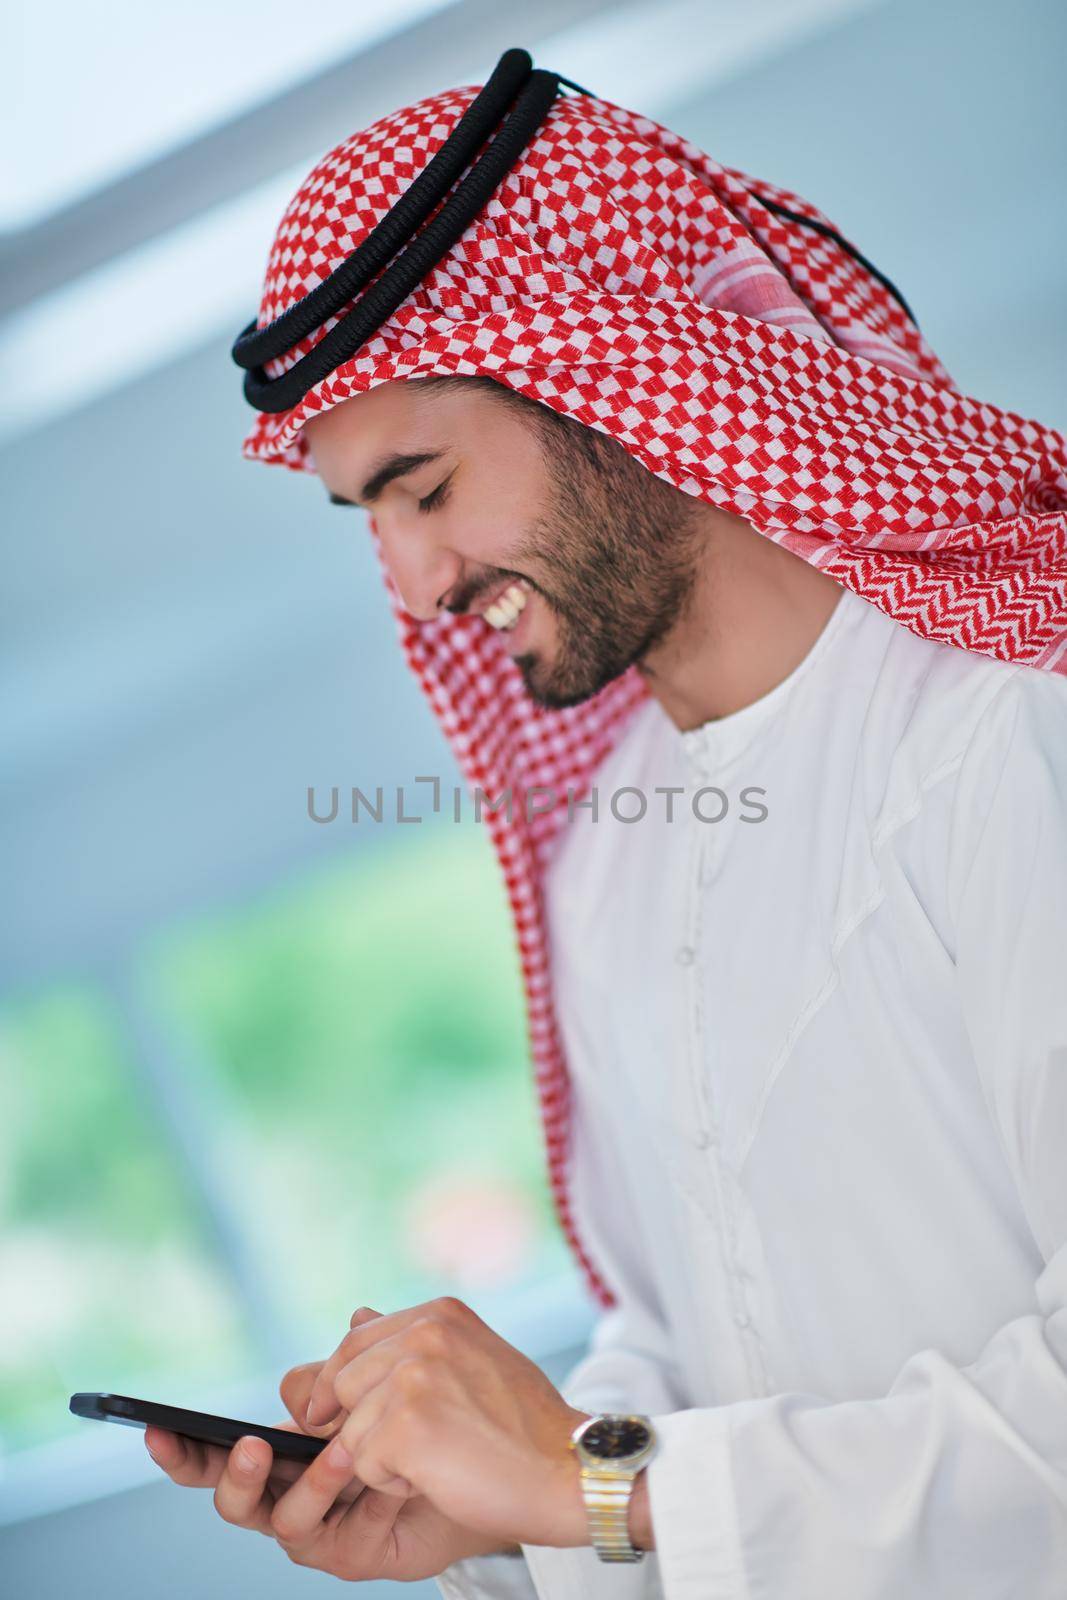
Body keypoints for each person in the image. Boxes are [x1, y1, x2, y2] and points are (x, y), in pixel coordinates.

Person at [145, 61, 1067, 1600]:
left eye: (425, 489)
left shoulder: (1011, 727)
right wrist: (498, 1516)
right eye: (372, 522)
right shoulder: (608, 862)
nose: (417, 586)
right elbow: (692, 1359)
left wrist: (583, 1485)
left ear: (619, 371)